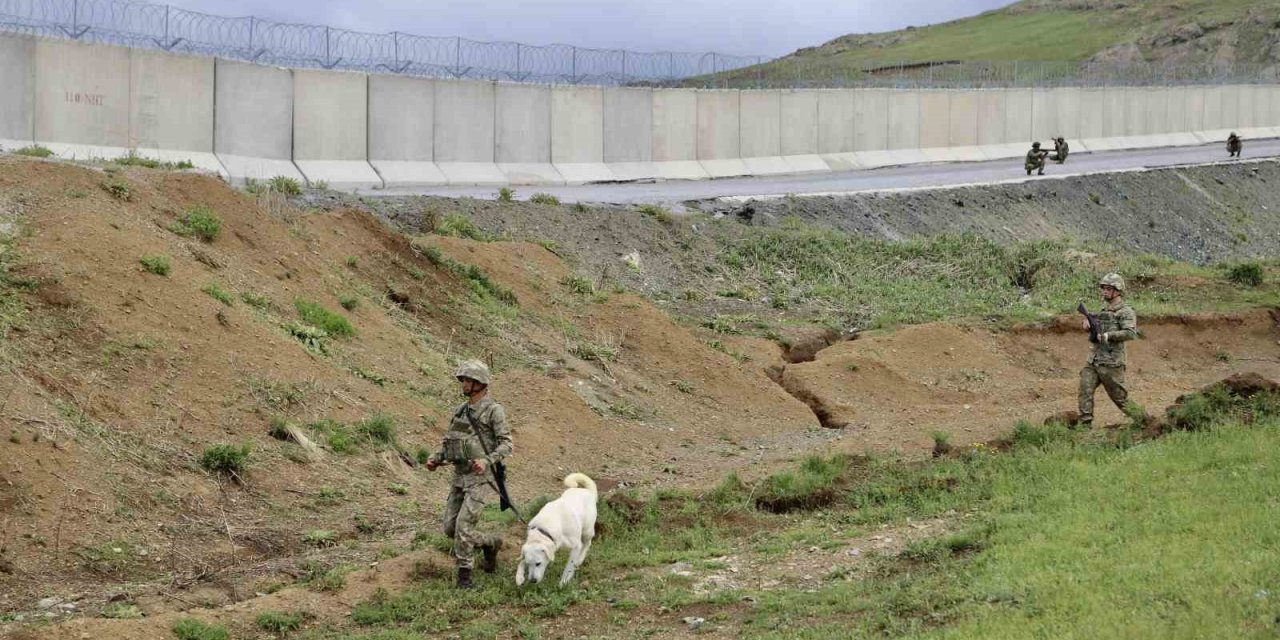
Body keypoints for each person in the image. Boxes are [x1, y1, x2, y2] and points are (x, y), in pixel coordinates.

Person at [425, 359, 513, 589]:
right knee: (450, 528)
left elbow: (507, 444)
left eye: (467, 380)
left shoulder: (494, 410)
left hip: (480, 478)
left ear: (479, 383)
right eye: (463, 379)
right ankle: (489, 543)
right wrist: (436, 458)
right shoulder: (461, 411)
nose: (463, 384)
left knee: (463, 527)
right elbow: (451, 441)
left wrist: (486, 461)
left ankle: (465, 577)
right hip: (459, 475)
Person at [1078, 273, 1140, 428]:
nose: (1104, 291)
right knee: (1085, 389)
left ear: (1117, 291)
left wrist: (1108, 336)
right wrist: (1088, 326)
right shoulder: (1103, 311)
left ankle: (1144, 420)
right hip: (1094, 359)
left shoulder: (1125, 312)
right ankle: (1085, 425)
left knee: (1120, 398)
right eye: (1103, 288)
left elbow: (1131, 333)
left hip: (1111, 363)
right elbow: (1096, 334)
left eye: (1108, 289)